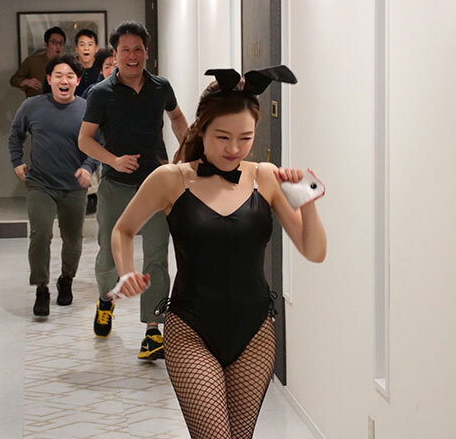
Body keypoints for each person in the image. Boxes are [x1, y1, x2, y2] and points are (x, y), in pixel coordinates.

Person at [109, 67, 327, 438]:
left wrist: (308, 202)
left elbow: (314, 251)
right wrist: (126, 271)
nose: (234, 149)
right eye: (222, 137)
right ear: (201, 130)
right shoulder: (171, 179)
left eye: (245, 138)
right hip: (190, 330)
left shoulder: (265, 176)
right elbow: (123, 229)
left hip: (255, 333)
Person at [77, 21, 189, 359]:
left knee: (156, 256)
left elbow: (177, 118)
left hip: (156, 187)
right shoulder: (101, 93)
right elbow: (85, 140)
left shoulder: (161, 87)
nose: (132, 56)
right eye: (125, 50)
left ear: (146, 52)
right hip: (116, 187)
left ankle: (152, 331)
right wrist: (113, 159)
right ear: (115, 54)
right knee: (108, 256)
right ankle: (105, 300)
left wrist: (187, 152)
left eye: (137, 49)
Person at [8, 54, 98, 316]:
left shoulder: (87, 109)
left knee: (73, 240)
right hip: (40, 184)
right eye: (58, 75)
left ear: (78, 81)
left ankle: (66, 279)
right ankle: (41, 288)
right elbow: (15, 135)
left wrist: (88, 167)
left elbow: (98, 144)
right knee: (40, 234)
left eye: (70, 76)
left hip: (74, 186)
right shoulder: (32, 106)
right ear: (49, 79)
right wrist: (16, 161)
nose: (64, 81)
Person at [83, 45, 116, 215]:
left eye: (115, 65)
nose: (112, 70)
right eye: (107, 66)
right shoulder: (93, 91)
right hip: (98, 145)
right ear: (101, 70)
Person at [10, 26, 66, 97]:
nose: (58, 46)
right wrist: (26, 81)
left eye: (61, 43)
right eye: (54, 42)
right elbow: (14, 80)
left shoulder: (66, 64)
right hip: (35, 100)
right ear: (46, 44)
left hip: (60, 101)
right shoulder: (32, 61)